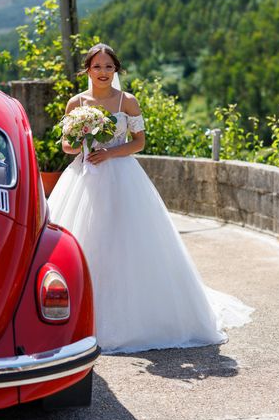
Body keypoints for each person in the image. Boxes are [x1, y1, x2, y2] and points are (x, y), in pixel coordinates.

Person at [47, 43, 253, 354]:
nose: (103, 72)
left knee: (127, 242)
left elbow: (139, 142)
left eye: (109, 67)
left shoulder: (127, 101)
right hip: (84, 178)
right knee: (83, 241)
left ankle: (133, 318)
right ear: (87, 69)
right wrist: (83, 136)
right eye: (97, 66)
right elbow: (67, 148)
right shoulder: (75, 103)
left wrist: (111, 152)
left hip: (121, 176)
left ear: (116, 70)